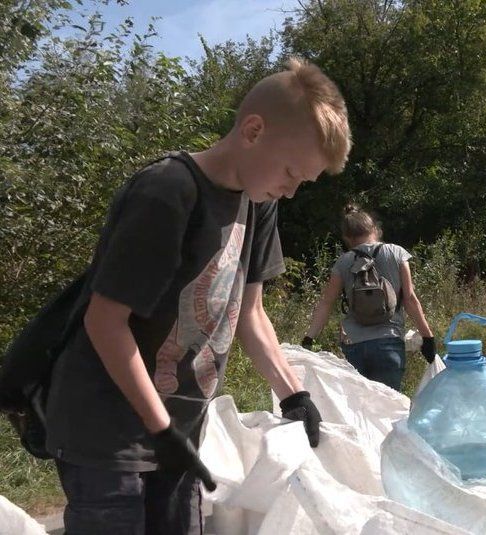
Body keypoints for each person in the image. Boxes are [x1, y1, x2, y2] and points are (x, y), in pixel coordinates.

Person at [43, 57, 351, 534]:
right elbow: (104, 322)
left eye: (302, 183)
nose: (291, 191)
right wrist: (159, 427)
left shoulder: (259, 203)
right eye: (291, 172)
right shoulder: (168, 193)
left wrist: (294, 395)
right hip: (106, 430)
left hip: (179, 430)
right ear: (252, 131)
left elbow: (251, 314)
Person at [301, 204, 435, 391]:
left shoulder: (343, 262)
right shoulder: (396, 253)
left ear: (347, 237)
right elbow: (410, 299)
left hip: (354, 345)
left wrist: (309, 338)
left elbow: (326, 302)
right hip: (389, 342)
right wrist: (428, 337)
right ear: (375, 229)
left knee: (361, 410)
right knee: (390, 409)